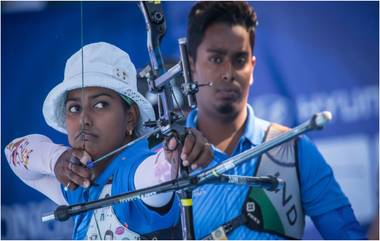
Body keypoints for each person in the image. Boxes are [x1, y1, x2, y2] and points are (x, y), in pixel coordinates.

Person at [6, 2, 366, 240]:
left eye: (239, 60)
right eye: (215, 59)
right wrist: (55, 159)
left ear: (253, 67)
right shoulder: (135, 160)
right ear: (190, 66)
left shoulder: (293, 151)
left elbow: (346, 235)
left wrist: (186, 160)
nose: (227, 74)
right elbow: (155, 171)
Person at [5, 41, 213, 240]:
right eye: (74, 108)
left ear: (130, 116)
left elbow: (157, 173)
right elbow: (12, 153)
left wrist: (176, 154)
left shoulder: (135, 169)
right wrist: (56, 159)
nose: (84, 119)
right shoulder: (80, 182)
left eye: (100, 105)